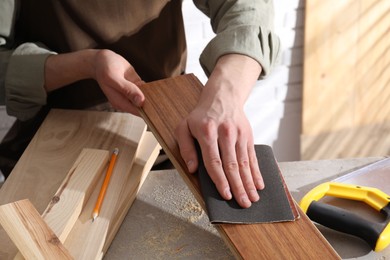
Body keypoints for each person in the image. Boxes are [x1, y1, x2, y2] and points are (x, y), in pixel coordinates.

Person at [0, 0, 280, 208]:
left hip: (168, 133)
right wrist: (88, 64)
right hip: (49, 139)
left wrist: (225, 95)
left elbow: (246, 7)